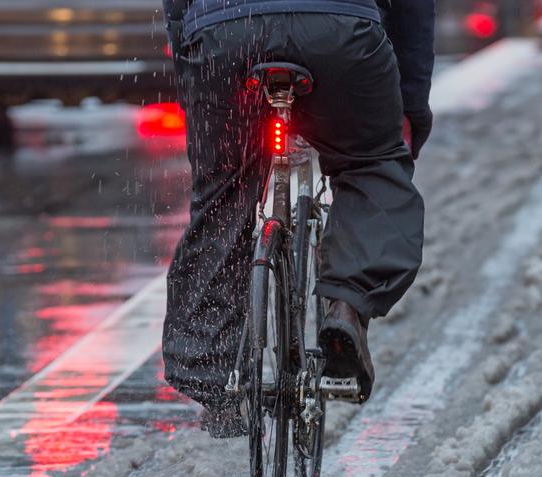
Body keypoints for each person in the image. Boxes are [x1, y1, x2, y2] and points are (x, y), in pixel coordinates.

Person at [161, 0, 434, 437]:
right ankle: (346, 304)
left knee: (223, 193)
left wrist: (193, 59)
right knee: (370, 165)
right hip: (340, 29)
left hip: (226, 33)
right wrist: (412, 107)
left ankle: (214, 376)